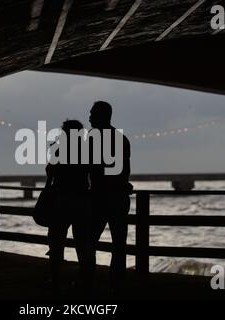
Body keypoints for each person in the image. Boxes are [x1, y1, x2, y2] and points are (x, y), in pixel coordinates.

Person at [45, 119, 94, 294]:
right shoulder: (88, 150)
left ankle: (56, 280)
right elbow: (93, 175)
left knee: (56, 241)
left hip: (61, 200)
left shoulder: (58, 149)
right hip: (82, 200)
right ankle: (86, 282)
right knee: (83, 243)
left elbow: (50, 173)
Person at [88, 101, 132, 295]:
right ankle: (116, 283)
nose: (89, 117)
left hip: (98, 197)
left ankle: (89, 280)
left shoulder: (92, 139)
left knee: (89, 240)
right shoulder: (121, 139)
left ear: (100, 116)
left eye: (92, 113)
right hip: (119, 197)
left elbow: (90, 170)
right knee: (119, 243)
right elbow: (124, 171)